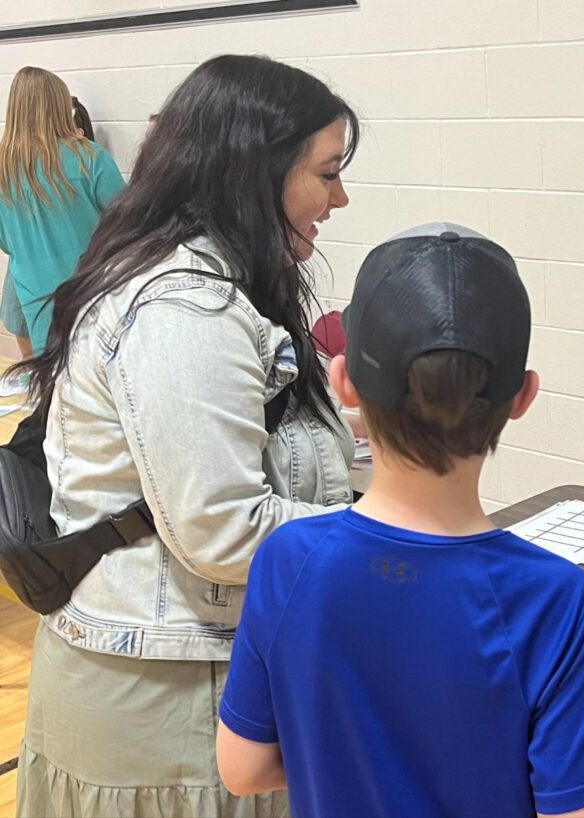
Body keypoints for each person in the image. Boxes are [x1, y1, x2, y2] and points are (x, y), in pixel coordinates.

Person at [15, 54, 361, 818]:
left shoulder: (208, 285)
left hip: (172, 683)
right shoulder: (183, 311)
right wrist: (397, 535)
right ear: (255, 171)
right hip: (162, 707)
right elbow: (221, 529)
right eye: (327, 173)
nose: (339, 198)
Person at [215, 224, 584, 818]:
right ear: (523, 397)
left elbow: (243, 768)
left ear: (344, 384)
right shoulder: (553, 600)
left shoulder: (288, 559)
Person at [0, 68, 123, 389]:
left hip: (35, 299)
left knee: (55, 392)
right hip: (92, 293)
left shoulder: (2, 171)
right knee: (99, 389)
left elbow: (6, 243)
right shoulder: (89, 158)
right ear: (59, 106)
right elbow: (128, 224)